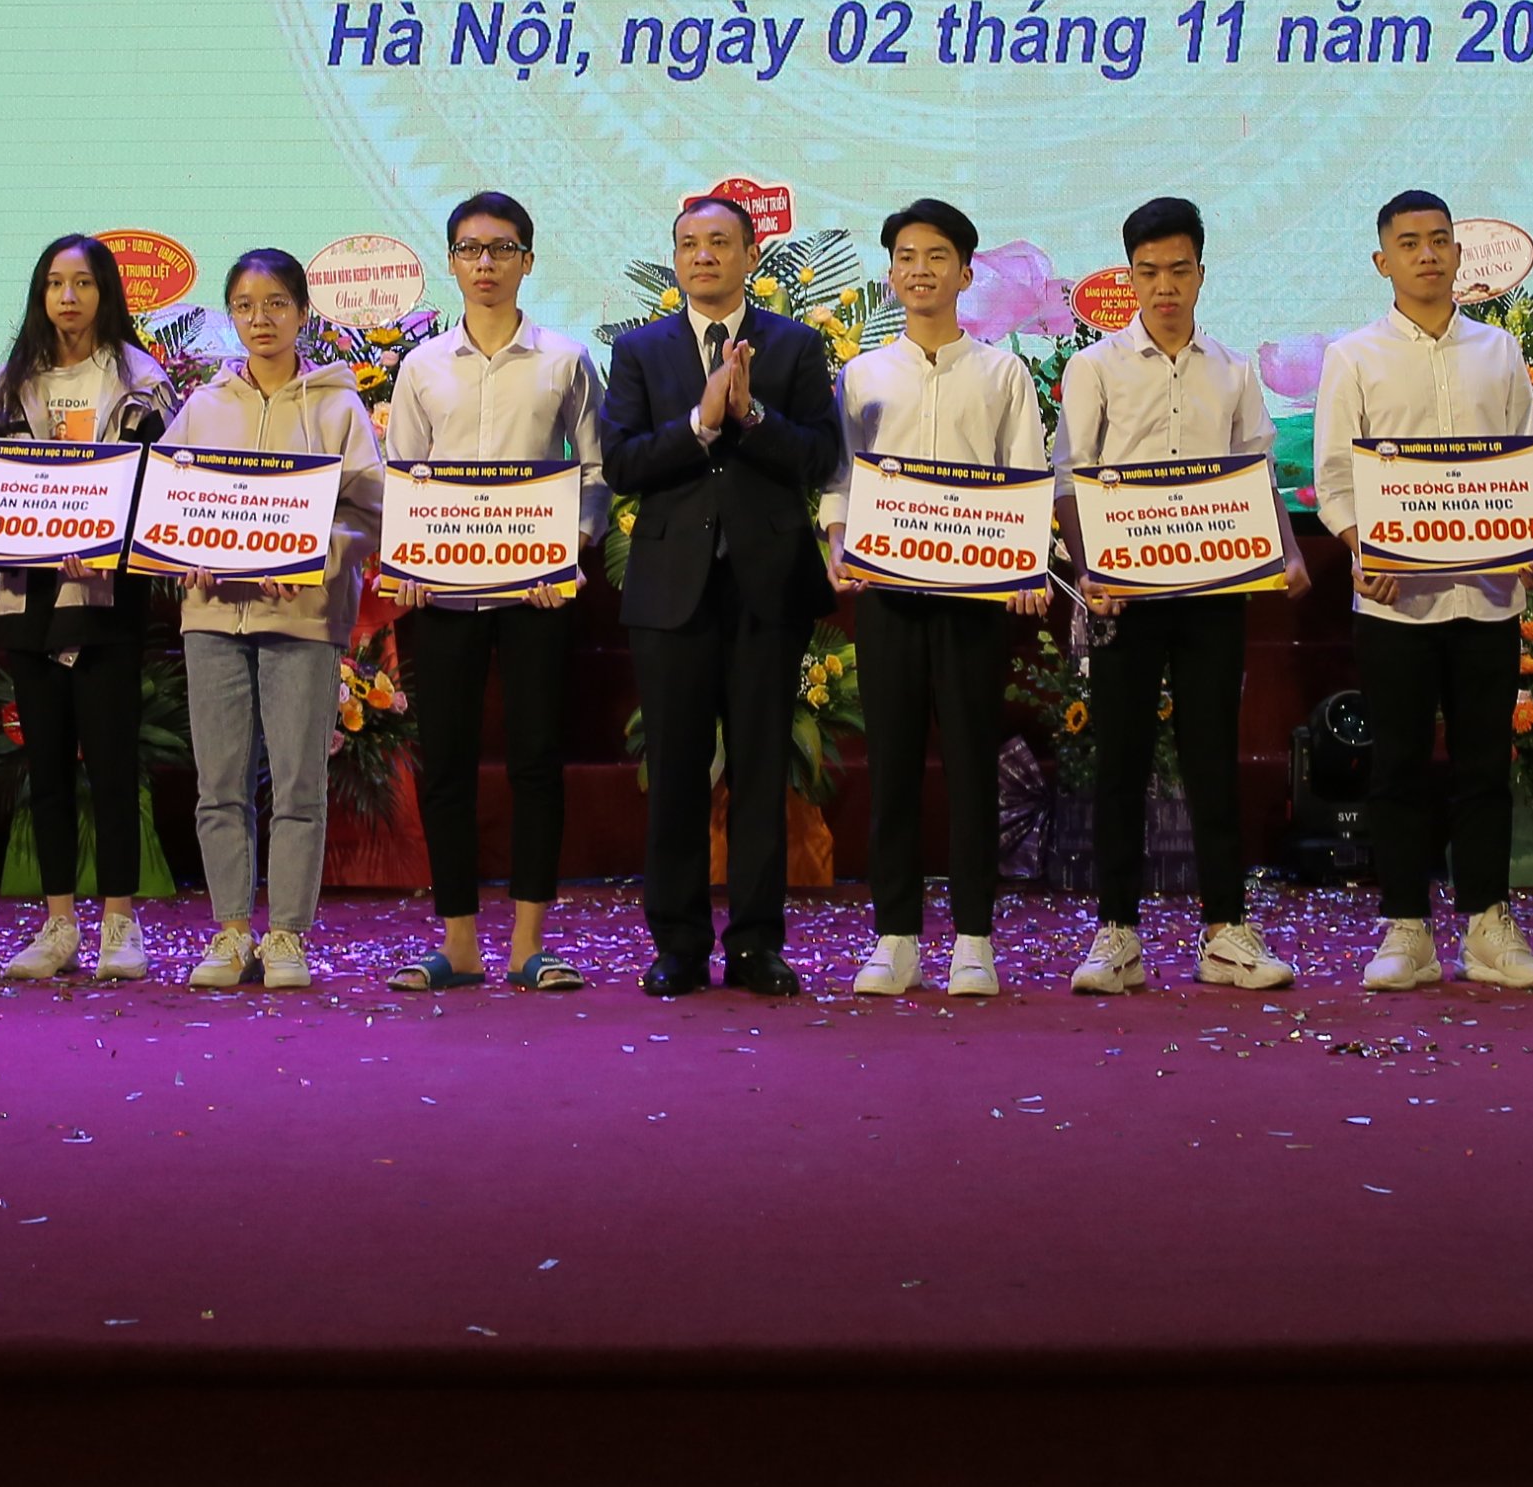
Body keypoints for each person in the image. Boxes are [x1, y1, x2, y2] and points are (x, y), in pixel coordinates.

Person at [1056, 195, 1307, 995]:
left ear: (1201, 273)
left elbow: (1256, 471)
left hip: (1211, 590)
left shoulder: (1230, 370)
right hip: (1121, 596)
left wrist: (1289, 551)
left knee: (1211, 757)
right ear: (1128, 278)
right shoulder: (1094, 367)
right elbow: (1068, 479)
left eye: (1178, 269)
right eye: (1147, 271)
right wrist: (1089, 572)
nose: (1163, 286)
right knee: (1119, 760)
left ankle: (1225, 931)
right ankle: (1116, 934)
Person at [1314, 193, 1533, 994]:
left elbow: (1523, 460)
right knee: (1399, 767)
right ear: (1381, 260)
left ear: (1458, 254)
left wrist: (1532, 543)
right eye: (1409, 243)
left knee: (1485, 767)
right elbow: (1335, 479)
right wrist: (1362, 546)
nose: (1426, 255)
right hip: (1395, 600)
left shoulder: (1498, 350)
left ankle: (1487, 925)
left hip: (1487, 596)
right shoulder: (1353, 356)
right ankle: (1406, 929)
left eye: (1439, 241)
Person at [605, 193, 843, 999]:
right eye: (688, 244)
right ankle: (677, 944)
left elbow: (819, 456)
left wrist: (752, 414)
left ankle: (754, 944)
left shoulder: (795, 344)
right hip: (670, 589)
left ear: (750, 255)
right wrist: (700, 425)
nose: (702, 256)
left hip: (766, 587)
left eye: (718, 242)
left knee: (760, 768)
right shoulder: (639, 351)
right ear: (675, 260)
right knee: (675, 772)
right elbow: (622, 462)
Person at [380, 192, 606, 993]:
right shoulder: (421, 366)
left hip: (535, 595)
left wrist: (567, 550)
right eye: (470, 249)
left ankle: (528, 945)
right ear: (450, 261)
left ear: (528, 261)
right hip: (443, 598)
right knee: (444, 764)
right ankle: (459, 944)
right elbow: (402, 478)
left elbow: (595, 471)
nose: (485, 263)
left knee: (536, 761)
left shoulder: (564, 360)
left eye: (502, 249)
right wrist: (406, 558)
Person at [829, 198, 1049, 1000]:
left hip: (974, 600)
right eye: (905, 257)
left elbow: (1025, 476)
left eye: (935, 257)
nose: (918, 270)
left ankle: (973, 941)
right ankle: (894, 938)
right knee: (890, 766)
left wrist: (1025, 568)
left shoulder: (1001, 373)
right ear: (891, 275)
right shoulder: (861, 374)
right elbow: (840, 479)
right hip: (886, 596)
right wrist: (836, 546)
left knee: (969, 767)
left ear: (963, 273)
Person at [168, 248, 385, 991]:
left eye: (275, 304)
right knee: (219, 783)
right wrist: (183, 554)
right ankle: (232, 931)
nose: (259, 319)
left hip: (304, 614)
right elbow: (168, 506)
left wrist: (311, 557)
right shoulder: (202, 408)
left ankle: (287, 933)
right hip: (212, 615)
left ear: (302, 313)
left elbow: (369, 514)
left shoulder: (338, 407)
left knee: (297, 784)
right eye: (244, 306)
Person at [0, 233, 176, 986]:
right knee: (47, 768)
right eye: (55, 283)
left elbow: (164, 488)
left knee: (113, 765)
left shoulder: (140, 382)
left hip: (106, 599)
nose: (68, 297)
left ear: (106, 293)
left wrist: (111, 543)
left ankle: (119, 922)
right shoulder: (8, 385)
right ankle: (58, 923)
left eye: (83, 283)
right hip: (26, 597)